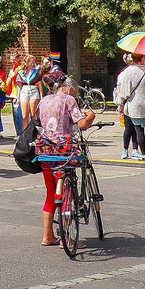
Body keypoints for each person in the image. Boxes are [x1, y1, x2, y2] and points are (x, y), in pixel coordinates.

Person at [35, 77, 96, 245]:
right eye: (75, 93)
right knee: (67, 193)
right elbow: (82, 124)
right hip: (63, 151)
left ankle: (48, 236)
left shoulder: (44, 100)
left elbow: (39, 122)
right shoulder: (68, 100)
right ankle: (66, 238)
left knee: (51, 193)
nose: (75, 97)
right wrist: (91, 115)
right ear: (69, 89)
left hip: (45, 149)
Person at [114, 55, 145, 161]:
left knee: (139, 130)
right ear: (142, 59)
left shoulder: (127, 72)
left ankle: (144, 155)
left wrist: (121, 102)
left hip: (134, 106)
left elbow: (124, 92)